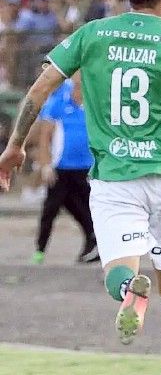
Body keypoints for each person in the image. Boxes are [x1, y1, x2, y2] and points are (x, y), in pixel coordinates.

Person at [0, 0, 161, 375]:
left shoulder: (92, 34)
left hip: (115, 176)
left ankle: (127, 293)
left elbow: (38, 91)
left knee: (117, 266)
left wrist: (16, 146)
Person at [33, 70, 98, 265]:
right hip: (61, 166)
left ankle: (93, 243)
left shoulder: (95, 101)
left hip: (86, 167)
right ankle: (40, 250)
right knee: (51, 208)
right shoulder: (59, 101)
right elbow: (45, 137)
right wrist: (45, 165)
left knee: (88, 209)